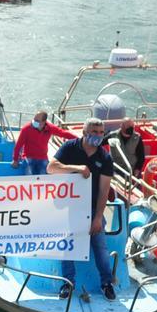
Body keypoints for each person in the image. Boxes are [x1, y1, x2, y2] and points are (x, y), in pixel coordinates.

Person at [48, 118, 116, 301]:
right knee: (67, 244)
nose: (99, 136)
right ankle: (67, 283)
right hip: (70, 208)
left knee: (100, 247)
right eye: (95, 132)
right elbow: (51, 167)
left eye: (102, 132)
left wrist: (98, 217)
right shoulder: (70, 147)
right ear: (85, 132)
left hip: (93, 209)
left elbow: (104, 190)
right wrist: (77, 168)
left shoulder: (105, 157)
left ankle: (106, 283)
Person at [10, 111, 76, 175]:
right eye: (34, 119)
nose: (34, 122)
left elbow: (63, 133)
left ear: (44, 122)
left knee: (44, 175)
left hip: (42, 157)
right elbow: (18, 145)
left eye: (37, 121)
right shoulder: (26, 129)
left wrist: (78, 139)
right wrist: (15, 159)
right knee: (29, 172)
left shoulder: (50, 128)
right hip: (28, 156)